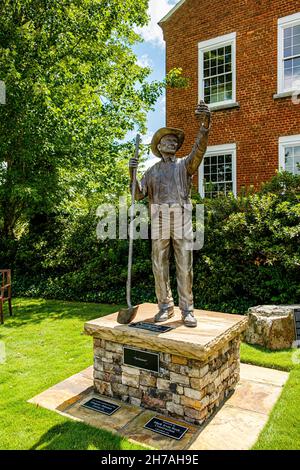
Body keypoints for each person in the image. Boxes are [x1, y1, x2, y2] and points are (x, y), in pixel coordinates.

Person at [129, 101, 211, 327]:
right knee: (159, 264)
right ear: (159, 145)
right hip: (158, 220)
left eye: (175, 141)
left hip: (181, 217)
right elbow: (138, 195)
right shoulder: (151, 171)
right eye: (168, 140)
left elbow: (199, 150)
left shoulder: (185, 166)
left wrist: (204, 126)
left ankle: (187, 309)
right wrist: (131, 173)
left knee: (185, 264)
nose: (172, 143)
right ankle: (165, 306)